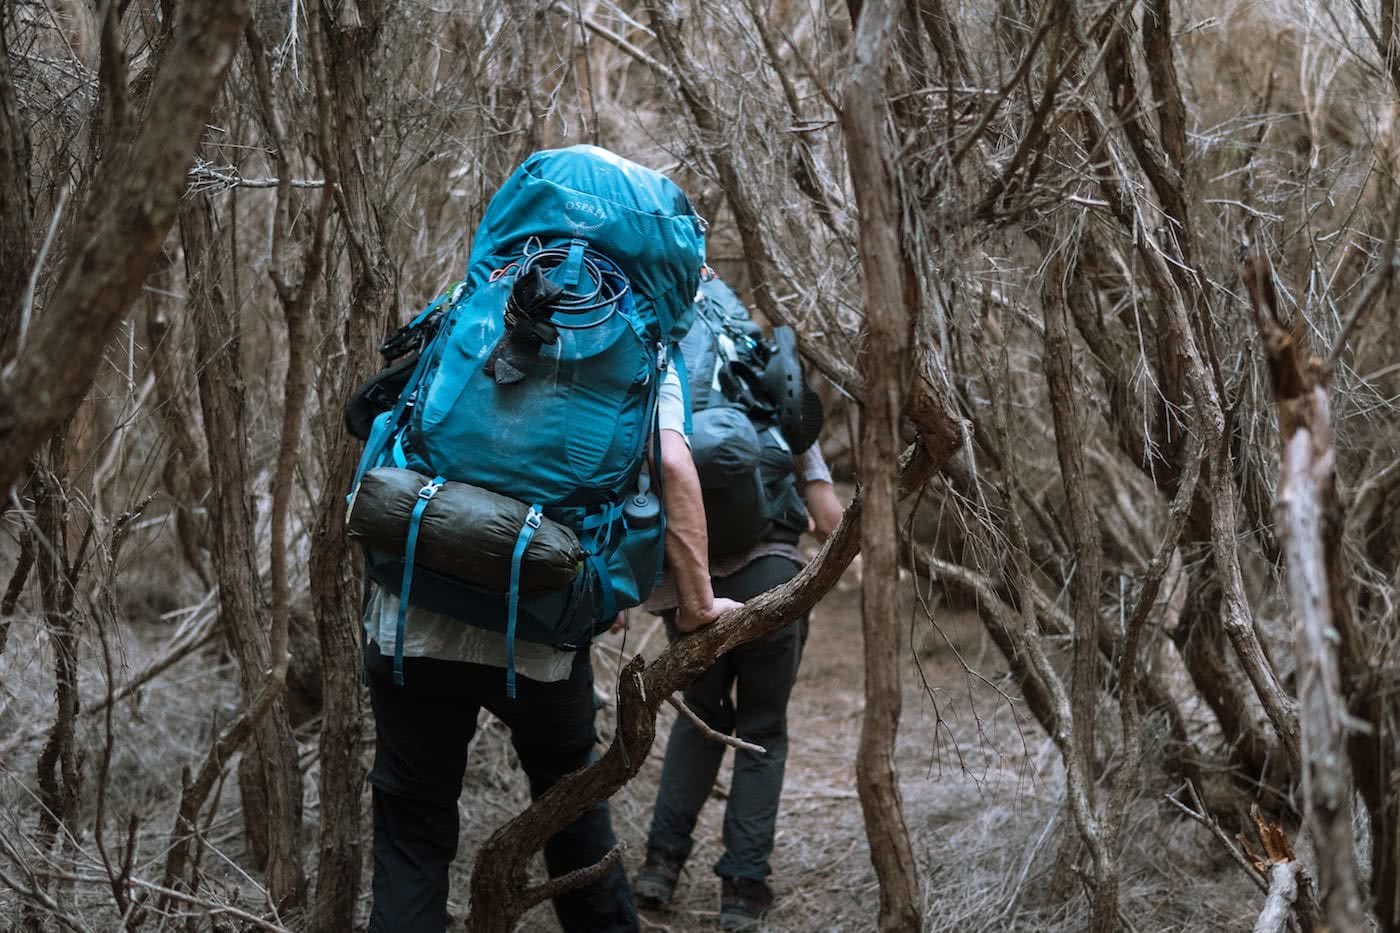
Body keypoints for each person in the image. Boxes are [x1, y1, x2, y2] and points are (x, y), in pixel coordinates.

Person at [362, 362, 740, 933]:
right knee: (573, 814)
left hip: (413, 620)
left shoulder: (481, 302)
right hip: (538, 639)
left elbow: (376, 414)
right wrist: (697, 604)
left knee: (412, 835)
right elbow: (670, 464)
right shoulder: (639, 345)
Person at [633, 279, 845, 931]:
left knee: (702, 713)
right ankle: (742, 891)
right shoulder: (764, 371)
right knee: (763, 729)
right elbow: (827, 517)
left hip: (688, 581)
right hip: (770, 575)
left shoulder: (657, 369)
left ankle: (660, 866)